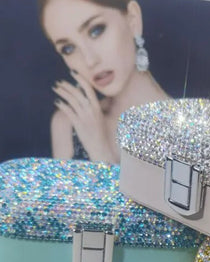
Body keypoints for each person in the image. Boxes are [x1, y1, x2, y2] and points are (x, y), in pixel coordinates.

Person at [38, 0, 169, 162]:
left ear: (133, 19)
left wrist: (100, 152)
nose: (90, 60)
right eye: (68, 48)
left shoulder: (188, 128)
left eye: (96, 31)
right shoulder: (69, 125)